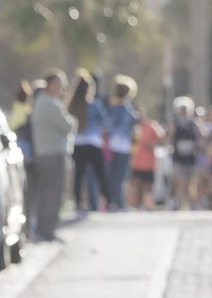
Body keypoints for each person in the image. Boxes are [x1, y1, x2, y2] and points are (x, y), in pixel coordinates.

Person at [29, 70, 74, 241]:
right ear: (51, 85)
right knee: (53, 193)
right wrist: (72, 121)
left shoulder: (44, 102)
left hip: (46, 153)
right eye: (60, 84)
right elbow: (68, 125)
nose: (62, 88)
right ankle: (47, 229)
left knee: (47, 193)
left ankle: (45, 228)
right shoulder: (50, 104)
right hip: (52, 155)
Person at [69, 71, 107, 213]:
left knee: (79, 174)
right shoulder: (94, 105)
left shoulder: (72, 105)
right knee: (100, 173)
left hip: (77, 144)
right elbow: (104, 123)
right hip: (93, 143)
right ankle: (108, 200)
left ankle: (78, 201)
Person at [104, 77, 140, 210]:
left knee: (112, 175)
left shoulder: (110, 107)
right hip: (123, 146)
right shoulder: (127, 109)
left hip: (110, 146)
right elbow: (133, 127)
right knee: (121, 176)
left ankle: (112, 201)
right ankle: (118, 202)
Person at [169, 97, 204, 211]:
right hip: (178, 156)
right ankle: (178, 203)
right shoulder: (174, 123)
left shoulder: (195, 123)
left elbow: (201, 137)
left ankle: (192, 203)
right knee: (179, 180)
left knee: (191, 182)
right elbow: (169, 137)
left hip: (190, 156)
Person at [128, 109, 164, 210]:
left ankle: (147, 206)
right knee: (136, 186)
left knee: (147, 187)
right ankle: (136, 206)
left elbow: (160, 140)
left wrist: (153, 144)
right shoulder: (133, 127)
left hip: (149, 163)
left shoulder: (151, 126)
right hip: (135, 163)